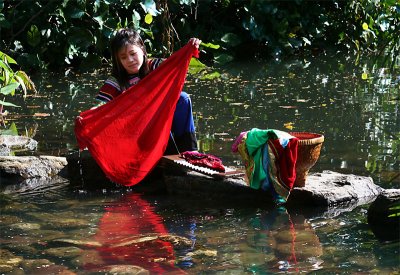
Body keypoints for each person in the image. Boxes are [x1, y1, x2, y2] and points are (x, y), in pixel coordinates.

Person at [96, 28, 200, 155]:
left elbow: (175, 64)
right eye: (123, 57)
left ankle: (189, 150)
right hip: (137, 133)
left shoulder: (154, 66)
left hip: (160, 124)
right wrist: (88, 116)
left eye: (133, 53)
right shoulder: (116, 81)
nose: (130, 60)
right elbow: (100, 106)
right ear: (118, 61)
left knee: (183, 98)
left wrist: (188, 49)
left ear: (142, 50)